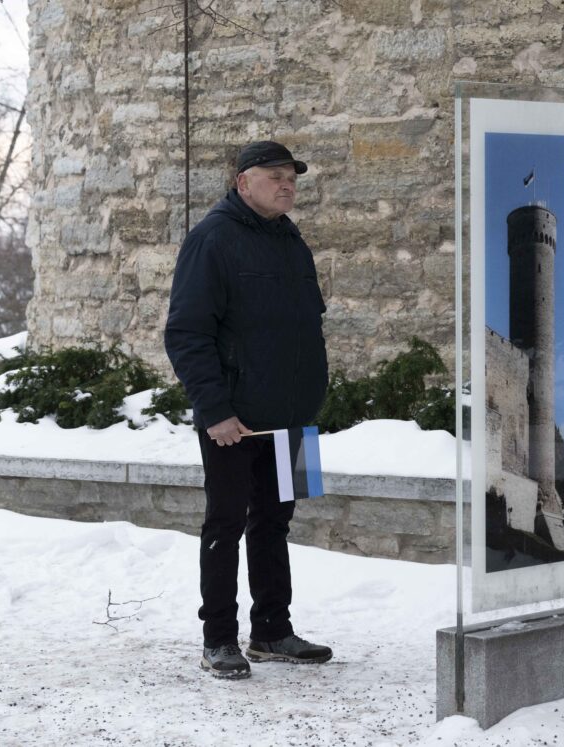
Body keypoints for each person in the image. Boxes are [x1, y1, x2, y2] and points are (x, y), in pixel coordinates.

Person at [164, 141, 332, 679]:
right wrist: (214, 410)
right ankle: (219, 639)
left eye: (292, 178)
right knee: (226, 524)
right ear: (243, 183)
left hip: (296, 418)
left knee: (276, 524)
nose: (287, 185)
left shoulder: (292, 241)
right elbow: (186, 334)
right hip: (235, 421)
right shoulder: (211, 239)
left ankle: (272, 631)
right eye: (275, 175)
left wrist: (313, 401)